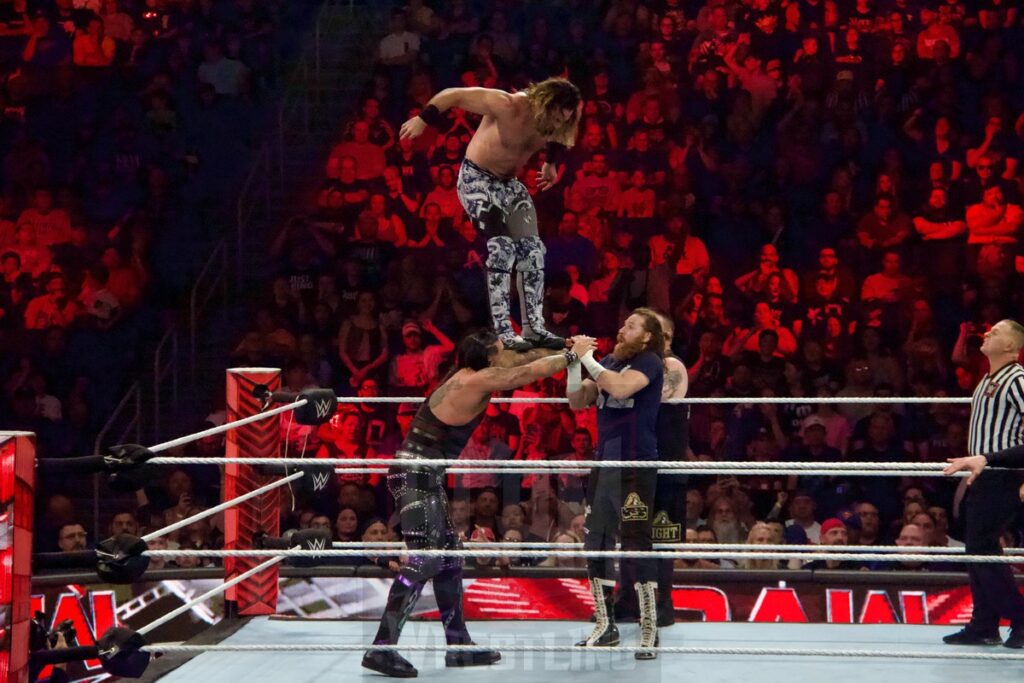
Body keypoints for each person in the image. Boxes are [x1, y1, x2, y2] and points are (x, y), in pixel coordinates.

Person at [363, 329, 596, 678]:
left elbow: (520, 360)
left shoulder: (473, 371)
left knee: (448, 558)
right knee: (427, 558)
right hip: (414, 473)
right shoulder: (476, 380)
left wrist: (560, 345)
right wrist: (571, 357)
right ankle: (381, 648)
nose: (508, 353)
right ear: (489, 357)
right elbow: (521, 373)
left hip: (424, 474)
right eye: (501, 349)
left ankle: (458, 646)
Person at [399, 78, 582, 351]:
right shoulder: (508, 105)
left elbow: (557, 138)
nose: (558, 124)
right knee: (503, 247)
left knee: (533, 251)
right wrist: (422, 120)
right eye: (557, 117)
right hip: (476, 179)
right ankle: (504, 330)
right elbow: (452, 93)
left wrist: (551, 163)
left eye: (563, 119)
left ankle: (534, 328)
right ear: (544, 105)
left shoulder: (554, 123)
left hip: (508, 184)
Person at [567, 308, 666, 659]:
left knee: (636, 543)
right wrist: (573, 365)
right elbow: (578, 400)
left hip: (636, 463)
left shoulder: (651, 362)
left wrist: (588, 358)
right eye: (623, 323)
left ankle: (649, 631)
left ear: (647, 336)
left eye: (632, 325)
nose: (622, 328)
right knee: (597, 540)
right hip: (604, 462)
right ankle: (604, 625)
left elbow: (621, 387)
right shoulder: (609, 360)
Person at [941, 319, 1024, 649]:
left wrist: (988, 459)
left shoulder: (1017, 379)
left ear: (1011, 346)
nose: (987, 333)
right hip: (983, 475)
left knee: (982, 550)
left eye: (997, 332)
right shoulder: (989, 379)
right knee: (976, 550)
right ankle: (984, 623)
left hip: (1002, 475)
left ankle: (1020, 618)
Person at [617, 310, 689, 627]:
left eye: (666, 336)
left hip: (666, 465)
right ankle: (628, 601)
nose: (662, 342)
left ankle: (662, 604)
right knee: (631, 533)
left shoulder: (671, 366)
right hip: (636, 461)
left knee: (661, 536)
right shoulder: (635, 366)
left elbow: (644, 400)